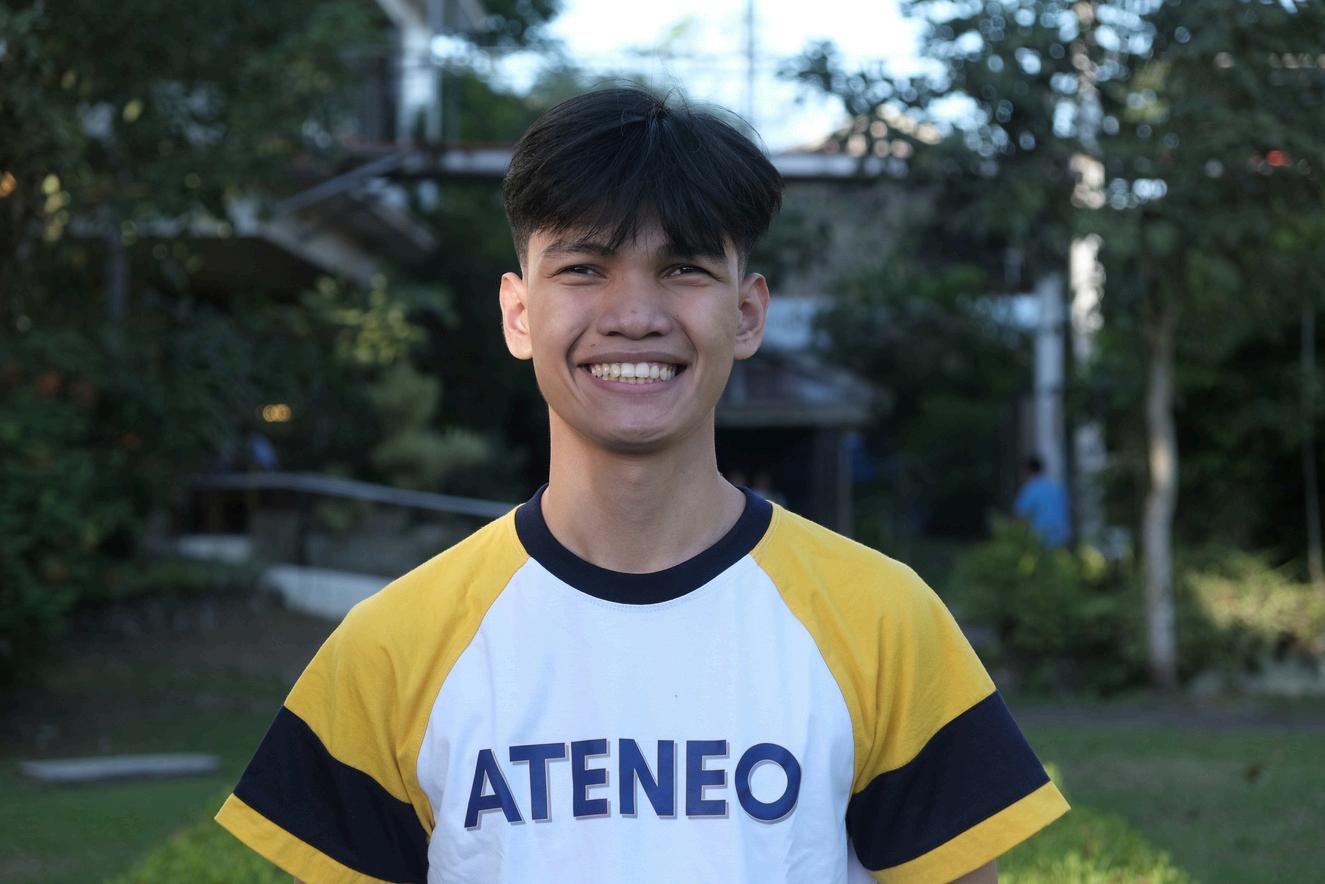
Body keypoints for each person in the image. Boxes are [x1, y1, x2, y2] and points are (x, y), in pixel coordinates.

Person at [215, 87, 1067, 883]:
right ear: (519, 312)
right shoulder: (388, 647)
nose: (634, 315)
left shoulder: (885, 621)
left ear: (746, 313)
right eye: (584, 269)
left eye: (683, 268)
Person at [1013, 456, 1071, 549]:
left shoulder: (1029, 490)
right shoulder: (1058, 487)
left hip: (1039, 540)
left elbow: (1020, 516)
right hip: (1061, 540)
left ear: (1027, 471)